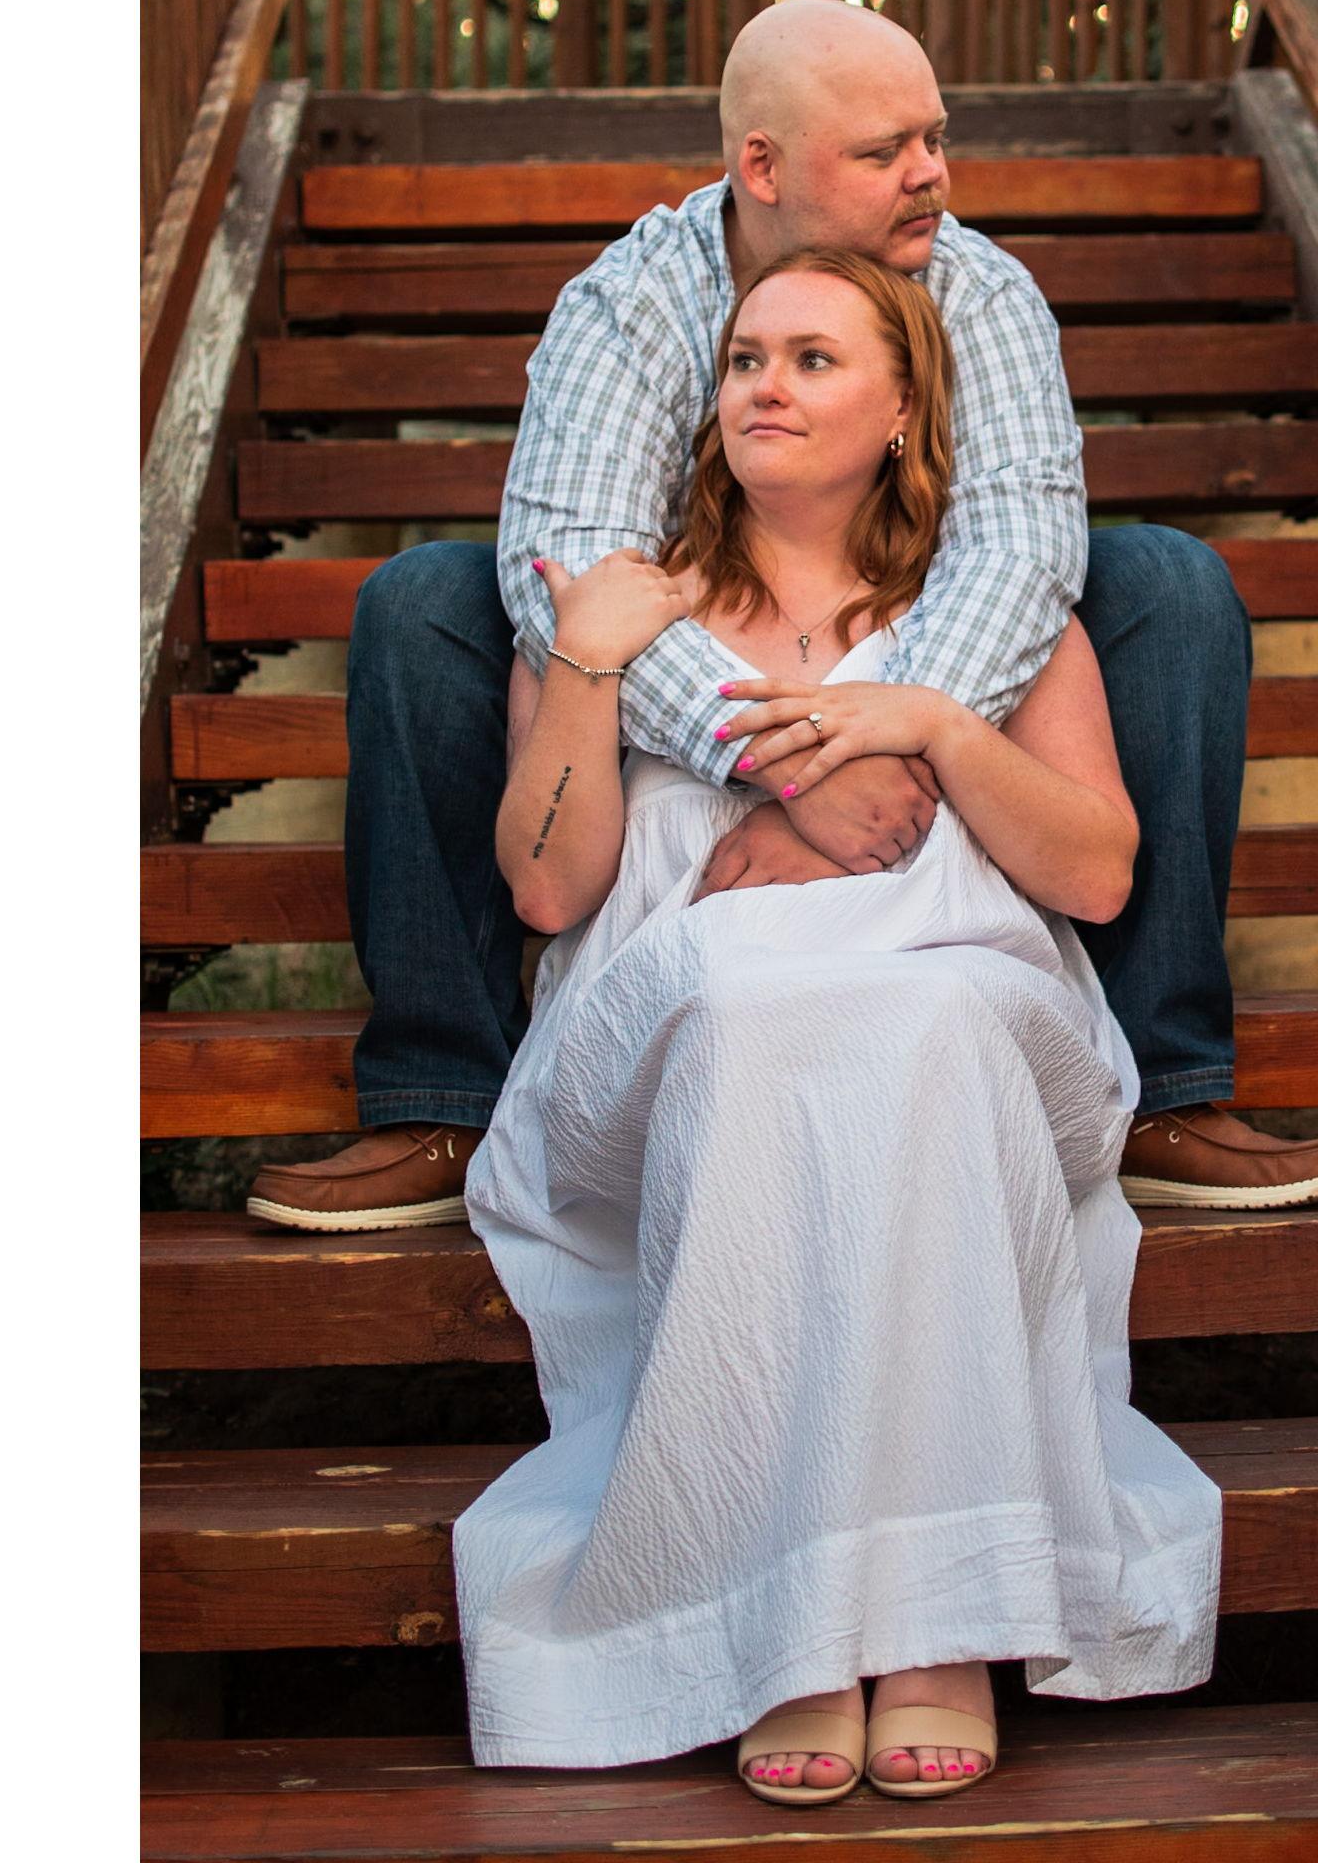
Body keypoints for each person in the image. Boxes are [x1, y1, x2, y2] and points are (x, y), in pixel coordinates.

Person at [245, 0, 1318, 1232]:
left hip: (899, 630)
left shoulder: (977, 291)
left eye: (933, 137)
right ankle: (443, 1093)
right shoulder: (633, 302)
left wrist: (868, 746)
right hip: (694, 642)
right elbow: (569, 559)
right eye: (884, 152)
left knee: (1163, 585)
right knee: (425, 605)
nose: (931, 173)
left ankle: (1164, 1089)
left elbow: (1016, 548)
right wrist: (779, 768)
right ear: (759, 168)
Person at [452, 245, 1222, 1800]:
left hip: (968, 1010)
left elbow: (1093, 866)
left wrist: (936, 726)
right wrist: (589, 664)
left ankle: (940, 1621)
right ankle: (782, 1619)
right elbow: (549, 893)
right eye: (746, 359)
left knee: (922, 1028)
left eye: (812, 360)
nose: (765, 385)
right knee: (752, 1014)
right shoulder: (633, 614)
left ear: (900, 413)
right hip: (682, 1020)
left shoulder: (991, 626)